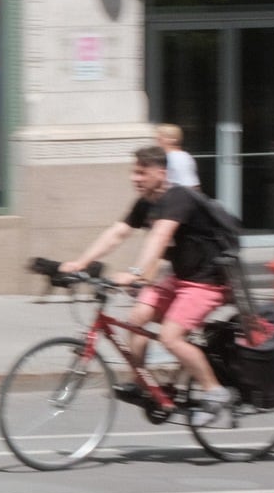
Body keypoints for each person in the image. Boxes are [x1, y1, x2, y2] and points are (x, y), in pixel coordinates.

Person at [62, 146, 233, 424]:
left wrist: (136, 273)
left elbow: (161, 236)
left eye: (141, 172)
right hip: (181, 279)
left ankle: (214, 392)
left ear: (161, 173)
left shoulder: (178, 198)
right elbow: (118, 233)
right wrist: (80, 262)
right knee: (137, 317)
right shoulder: (146, 204)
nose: (135, 178)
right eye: (133, 171)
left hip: (208, 282)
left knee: (170, 337)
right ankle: (143, 382)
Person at [155, 123, 200, 189]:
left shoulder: (177, 157)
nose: (157, 142)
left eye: (160, 139)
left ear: (172, 140)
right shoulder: (181, 156)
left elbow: (190, 186)